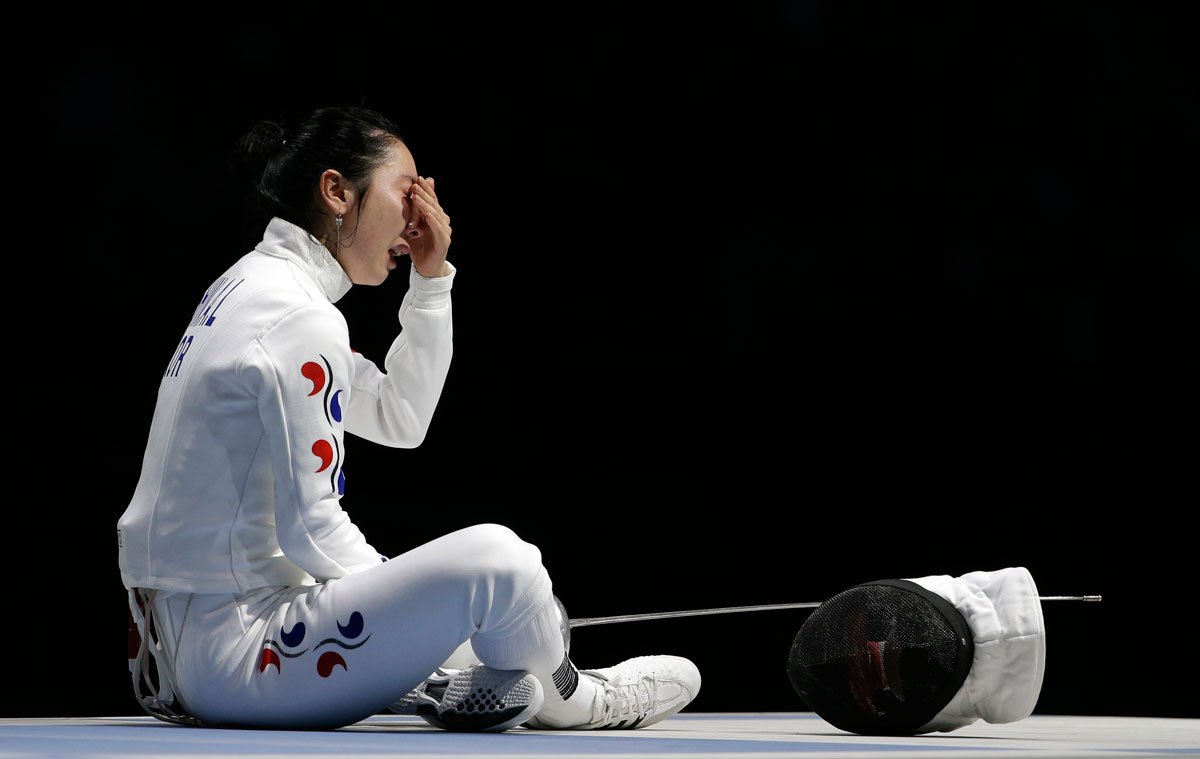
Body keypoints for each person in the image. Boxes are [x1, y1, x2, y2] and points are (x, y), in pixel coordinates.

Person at [117, 105, 700, 732]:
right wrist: (427, 610)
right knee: (501, 563)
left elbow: (399, 416)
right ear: (337, 192)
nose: (420, 217)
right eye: (407, 192)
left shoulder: (253, 288)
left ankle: (437, 678)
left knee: (495, 635)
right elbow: (313, 531)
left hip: (184, 653)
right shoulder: (297, 316)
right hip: (240, 656)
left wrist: (430, 280)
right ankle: (578, 700)